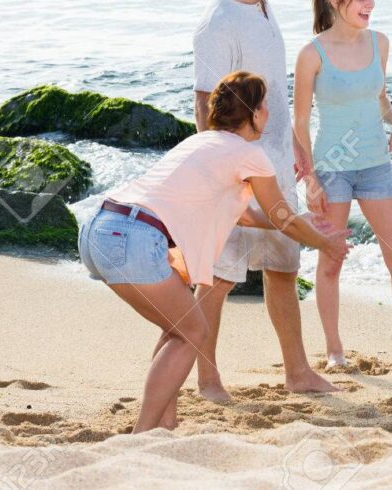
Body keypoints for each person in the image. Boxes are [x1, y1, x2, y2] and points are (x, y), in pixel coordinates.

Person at [78, 72, 351, 432]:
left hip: (100, 229)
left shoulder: (202, 143)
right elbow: (281, 216)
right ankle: (143, 434)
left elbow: (255, 217)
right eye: (265, 105)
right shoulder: (250, 154)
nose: (269, 112)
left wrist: (296, 223)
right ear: (253, 114)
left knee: (178, 327)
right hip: (136, 238)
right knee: (192, 330)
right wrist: (326, 242)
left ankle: (164, 422)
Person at [192, 0, 336, 398]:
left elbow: (275, 91)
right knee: (217, 278)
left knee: (283, 268)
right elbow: (205, 103)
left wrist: (295, 148)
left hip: (274, 162)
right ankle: (207, 379)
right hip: (235, 170)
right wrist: (222, 176)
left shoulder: (264, 6)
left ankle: (297, 374)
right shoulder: (218, 23)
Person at [293, 0, 392, 371]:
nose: (369, 4)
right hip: (332, 169)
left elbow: (381, 99)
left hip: (376, 165)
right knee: (331, 261)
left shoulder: (380, 43)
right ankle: (335, 350)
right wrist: (310, 179)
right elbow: (300, 122)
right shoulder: (312, 54)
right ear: (336, 0)